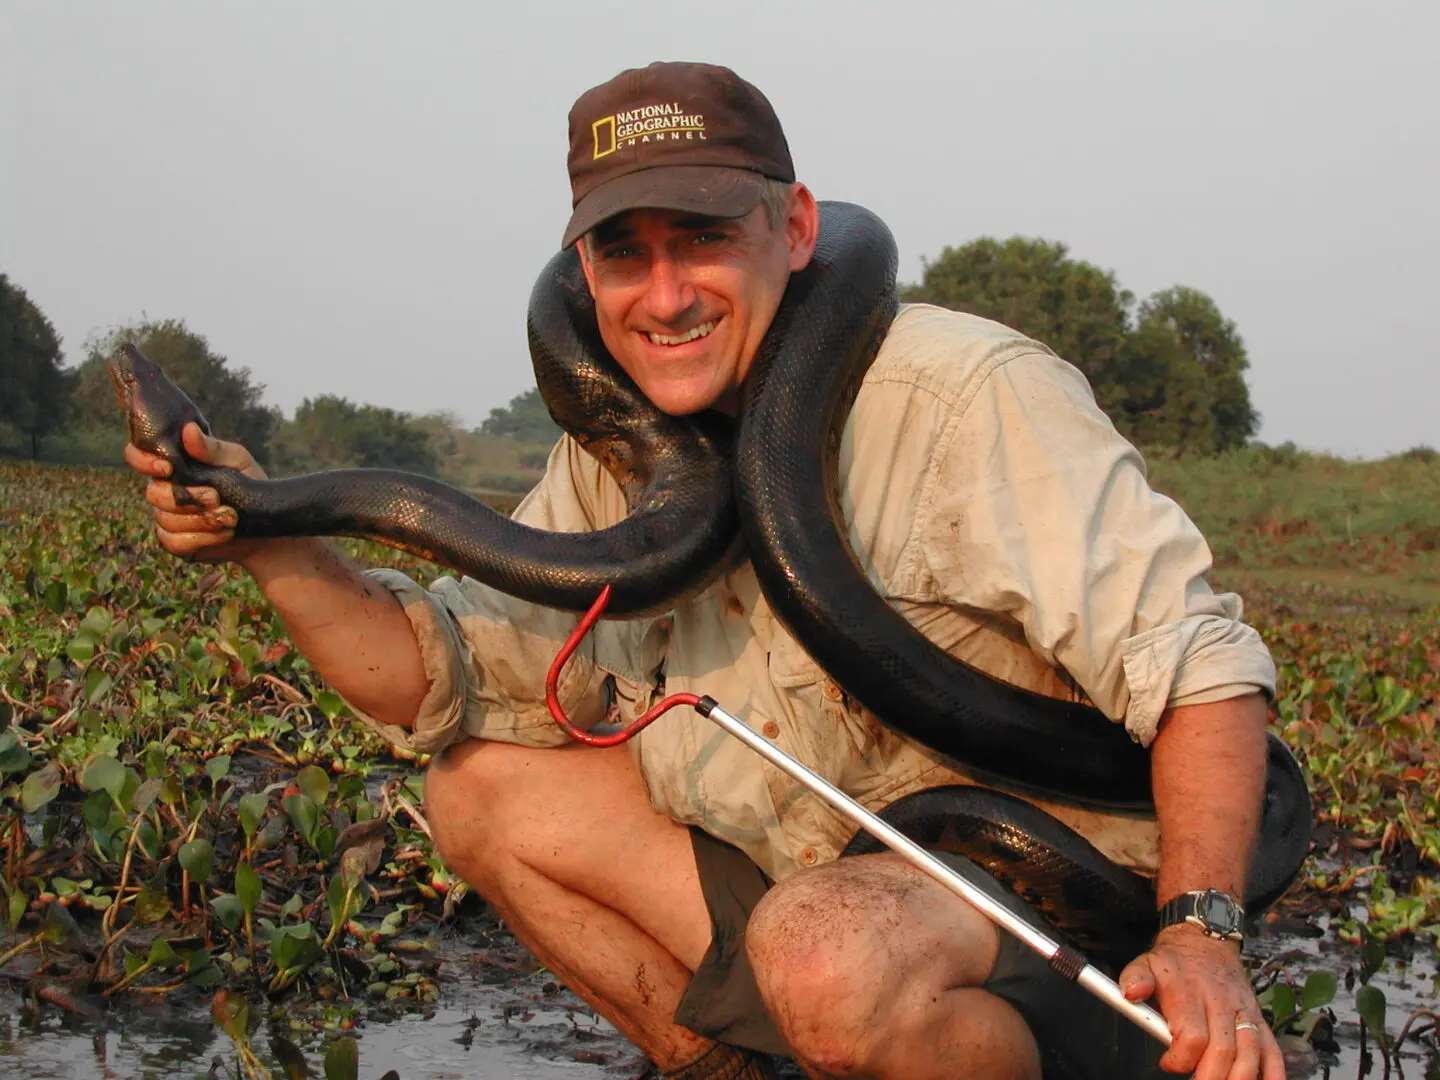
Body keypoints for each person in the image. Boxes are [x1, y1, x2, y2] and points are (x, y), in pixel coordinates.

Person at [125, 61, 1288, 1080]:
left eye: (704, 241)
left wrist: (1198, 933)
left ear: (794, 228)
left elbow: (1196, 669)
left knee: (823, 952)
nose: (666, 295)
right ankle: (724, 1070)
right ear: (582, 273)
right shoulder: (617, 458)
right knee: (479, 786)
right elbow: (426, 675)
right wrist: (268, 533)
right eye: (625, 255)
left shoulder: (963, 396)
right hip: (824, 881)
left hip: (1059, 906)